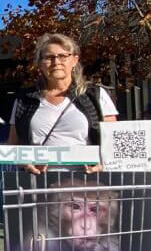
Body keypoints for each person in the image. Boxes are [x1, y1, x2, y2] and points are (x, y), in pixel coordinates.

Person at [8, 33, 118, 174]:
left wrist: (103, 165)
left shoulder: (95, 95)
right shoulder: (25, 99)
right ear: (40, 64)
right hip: (39, 186)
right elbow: (13, 144)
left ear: (74, 60)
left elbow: (114, 144)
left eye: (63, 56)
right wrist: (25, 164)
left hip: (88, 185)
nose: (56, 62)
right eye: (49, 57)